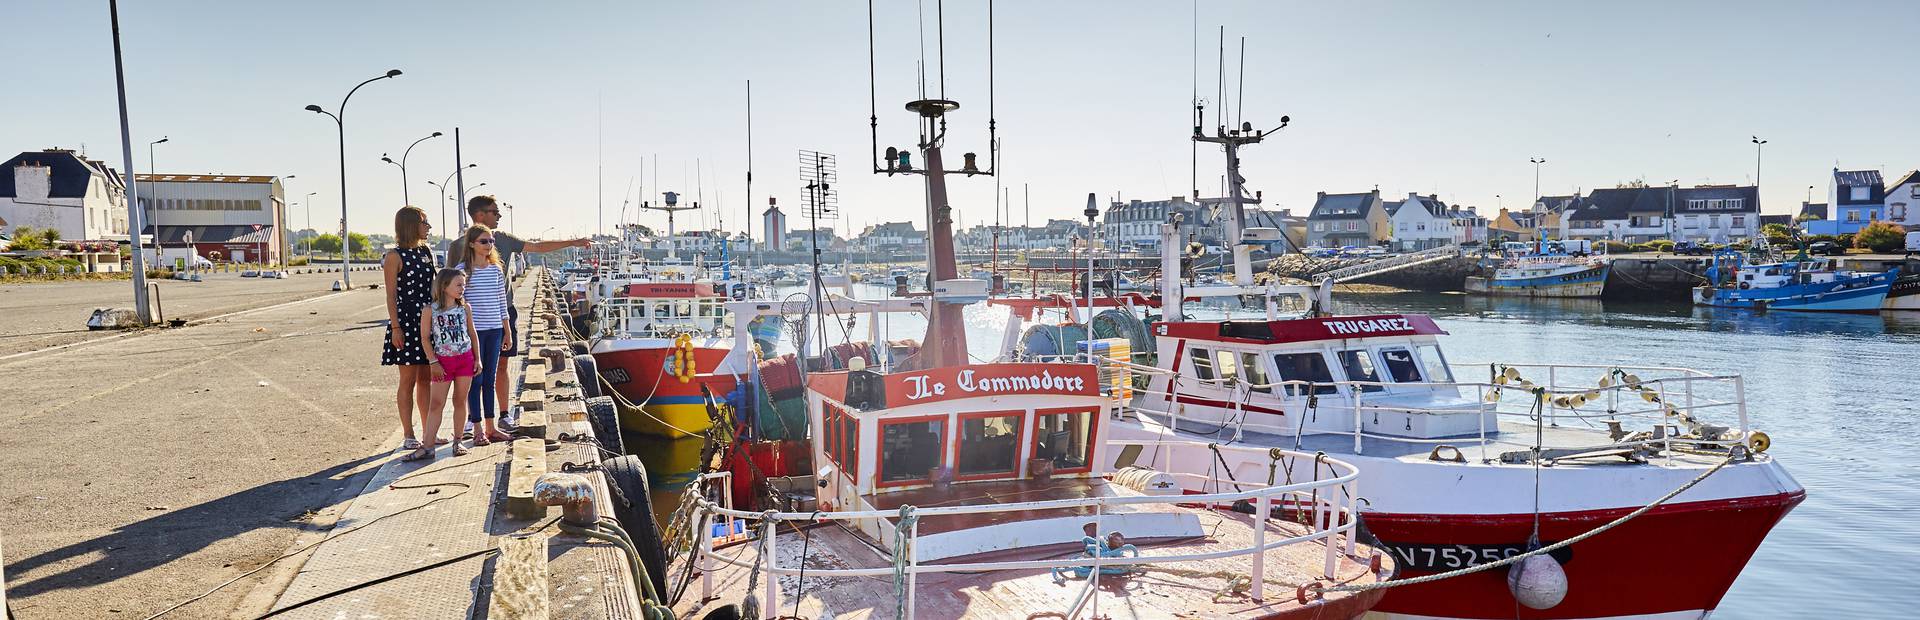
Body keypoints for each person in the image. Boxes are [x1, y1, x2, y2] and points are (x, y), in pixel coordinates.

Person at [453, 195, 591, 428]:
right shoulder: (458, 247)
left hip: (502, 312)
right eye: (494, 212)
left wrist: (573, 242)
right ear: (480, 214)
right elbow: (449, 283)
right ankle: (471, 418)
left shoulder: (503, 240)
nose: (498, 216)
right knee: (472, 368)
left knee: (502, 365)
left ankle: (503, 414)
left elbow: (536, 247)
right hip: (471, 318)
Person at [379, 206, 436, 451]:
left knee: (426, 378)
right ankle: (408, 434)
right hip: (406, 320)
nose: (428, 227)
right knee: (408, 379)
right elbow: (391, 296)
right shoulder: (394, 256)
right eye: (425, 222)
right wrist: (395, 327)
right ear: (411, 225)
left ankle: (427, 432)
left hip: (427, 319)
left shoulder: (426, 251)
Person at [410, 268, 479, 461]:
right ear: (444, 286)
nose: (462, 289)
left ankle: (458, 441)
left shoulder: (465, 308)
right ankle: (428, 446)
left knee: (460, 401)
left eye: (464, 285)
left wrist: (477, 359)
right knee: (436, 404)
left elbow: (472, 334)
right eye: (458, 285)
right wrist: (433, 361)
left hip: (465, 359)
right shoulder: (429, 310)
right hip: (442, 362)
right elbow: (425, 338)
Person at [456, 224, 514, 445]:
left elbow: (502, 303)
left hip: (495, 331)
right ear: (471, 243)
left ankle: (492, 428)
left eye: (491, 241)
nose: (489, 245)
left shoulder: (496, 270)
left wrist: (507, 332)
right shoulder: (463, 271)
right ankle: (477, 428)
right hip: (474, 333)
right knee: (475, 381)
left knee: (489, 380)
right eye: (483, 241)